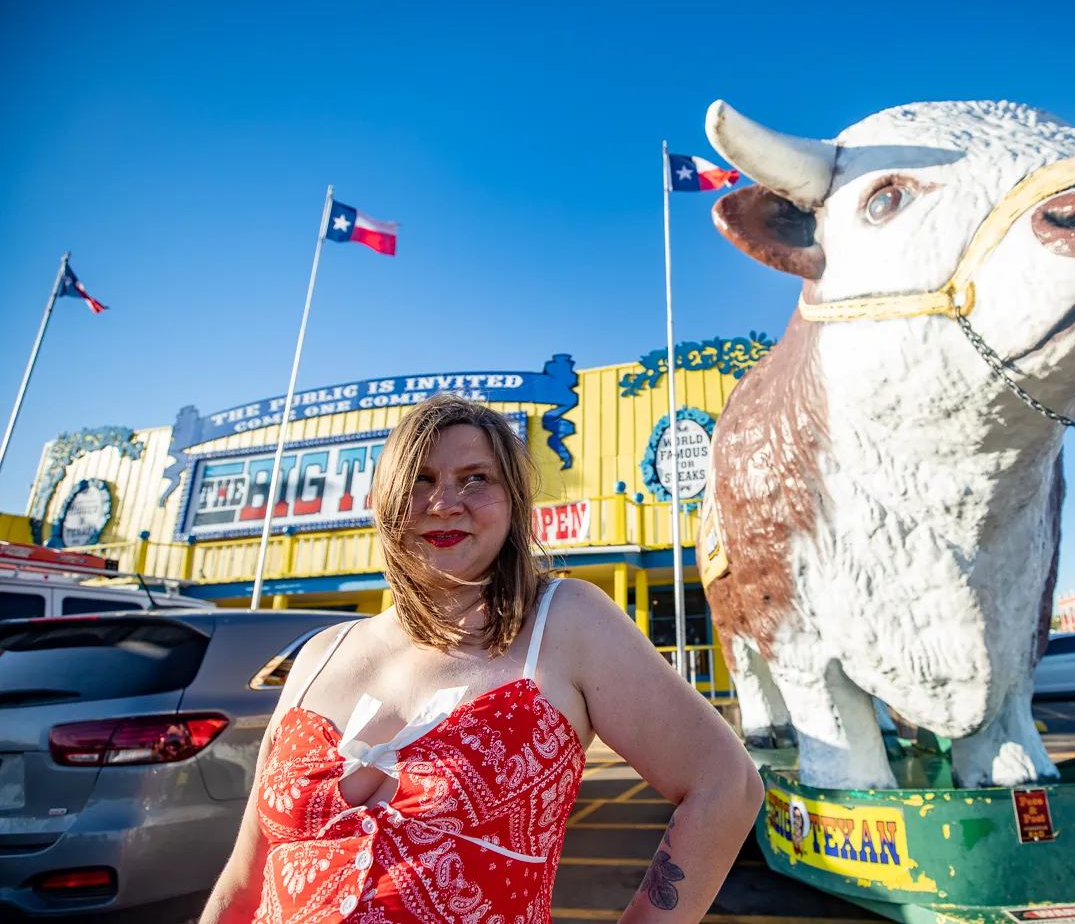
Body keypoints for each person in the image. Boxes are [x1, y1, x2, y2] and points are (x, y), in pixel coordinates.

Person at [201, 395, 763, 923]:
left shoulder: (564, 622)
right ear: (385, 500)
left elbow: (726, 785)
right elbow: (243, 880)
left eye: (476, 479)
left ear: (513, 500)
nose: (445, 503)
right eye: (420, 480)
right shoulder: (322, 654)